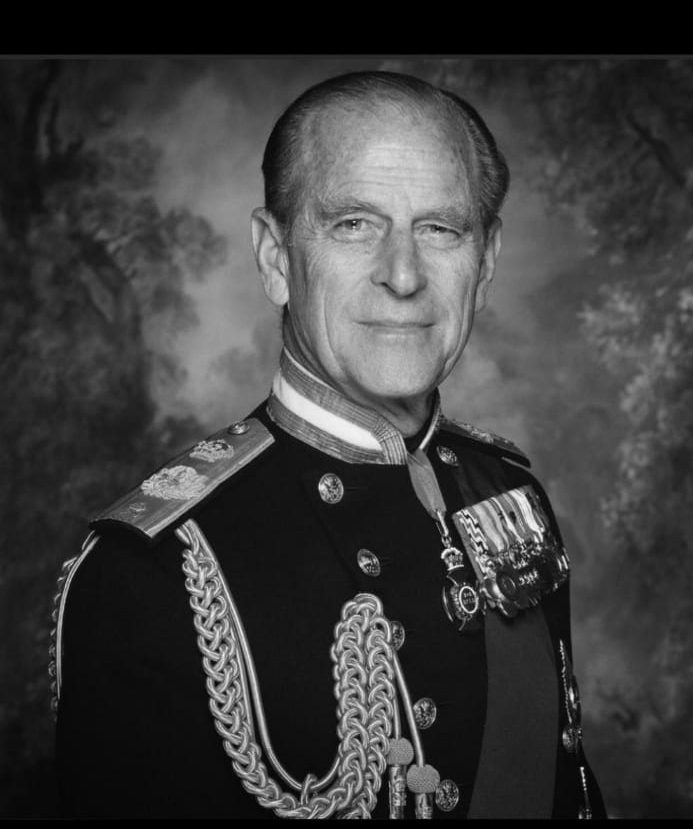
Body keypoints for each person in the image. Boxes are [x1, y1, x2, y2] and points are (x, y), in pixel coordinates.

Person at [50, 70, 606, 820]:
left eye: (440, 229)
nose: (403, 275)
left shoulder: (508, 494)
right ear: (275, 257)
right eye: (353, 224)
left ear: (486, 262)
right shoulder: (148, 573)